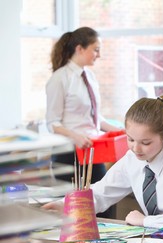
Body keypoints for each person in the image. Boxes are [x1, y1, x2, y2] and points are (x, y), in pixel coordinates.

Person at [43, 96, 163, 228]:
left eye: (145, 143)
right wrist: (66, 205)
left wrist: (145, 221)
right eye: (130, 139)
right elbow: (103, 191)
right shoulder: (132, 159)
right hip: (157, 238)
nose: (136, 148)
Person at [45, 27, 121, 217]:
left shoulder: (90, 77)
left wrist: (121, 130)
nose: (99, 55)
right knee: (76, 211)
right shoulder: (59, 78)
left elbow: (95, 117)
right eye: (95, 49)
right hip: (69, 155)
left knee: (106, 205)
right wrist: (76, 136)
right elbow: (52, 123)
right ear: (80, 49)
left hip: (92, 151)